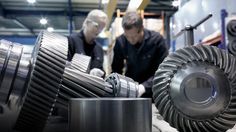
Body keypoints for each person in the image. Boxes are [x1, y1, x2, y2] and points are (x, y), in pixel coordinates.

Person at [111, 11, 169, 97]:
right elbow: (116, 68)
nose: (130, 40)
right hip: (131, 90)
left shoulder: (157, 41)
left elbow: (164, 70)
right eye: (127, 37)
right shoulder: (121, 42)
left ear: (141, 28)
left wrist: (144, 87)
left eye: (134, 36)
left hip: (154, 90)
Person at [68, 9, 108, 77]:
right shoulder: (71, 41)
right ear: (87, 22)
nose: (99, 31)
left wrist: (102, 74)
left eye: (102, 28)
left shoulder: (99, 49)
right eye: (97, 26)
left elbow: (101, 70)